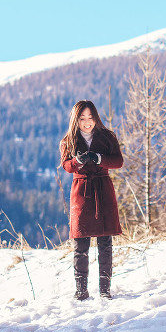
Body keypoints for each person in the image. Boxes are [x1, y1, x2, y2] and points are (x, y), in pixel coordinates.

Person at [60, 100, 123, 300]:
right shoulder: (68, 140)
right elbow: (66, 166)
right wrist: (77, 161)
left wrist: (98, 158)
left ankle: (105, 290)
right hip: (80, 193)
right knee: (80, 245)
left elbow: (118, 161)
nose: (87, 122)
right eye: (82, 118)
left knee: (105, 243)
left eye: (90, 117)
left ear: (96, 117)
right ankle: (81, 291)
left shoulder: (107, 137)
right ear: (75, 120)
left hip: (103, 190)